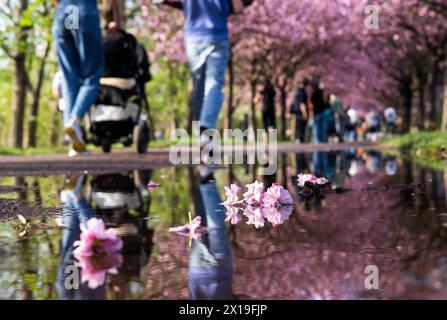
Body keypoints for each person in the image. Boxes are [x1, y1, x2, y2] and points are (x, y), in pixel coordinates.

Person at [159, 0, 252, 146]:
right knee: (214, 82)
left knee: (198, 85)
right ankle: (206, 129)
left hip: (193, 37)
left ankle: (202, 130)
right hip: (217, 35)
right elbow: (239, 8)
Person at [53, 0, 104, 157]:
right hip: (84, 12)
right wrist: (117, 20)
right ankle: (74, 122)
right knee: (91, 78)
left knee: (69, 82)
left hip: (64, 13)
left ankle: (74, 145)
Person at [291, 78, 309, 143]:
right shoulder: (302, 91)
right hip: (301, 111)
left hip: (296, 111)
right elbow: (302, 104)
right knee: (301, 126)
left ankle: (297, 138)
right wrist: (305, 113)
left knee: (297, 125)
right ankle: (299, 138)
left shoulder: (296, 91)